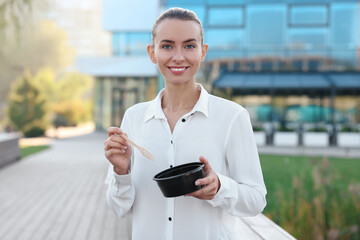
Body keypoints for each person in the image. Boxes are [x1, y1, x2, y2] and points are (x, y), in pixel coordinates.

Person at [104, 7, 267, 240]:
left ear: (203, 51)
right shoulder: (134, 117)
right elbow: (119, 208)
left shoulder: (232, 116)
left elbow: (256, 200)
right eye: (167, 46)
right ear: (152, 53)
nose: (178, 57)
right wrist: (121, 172)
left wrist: (220, 187)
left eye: (189, 46)